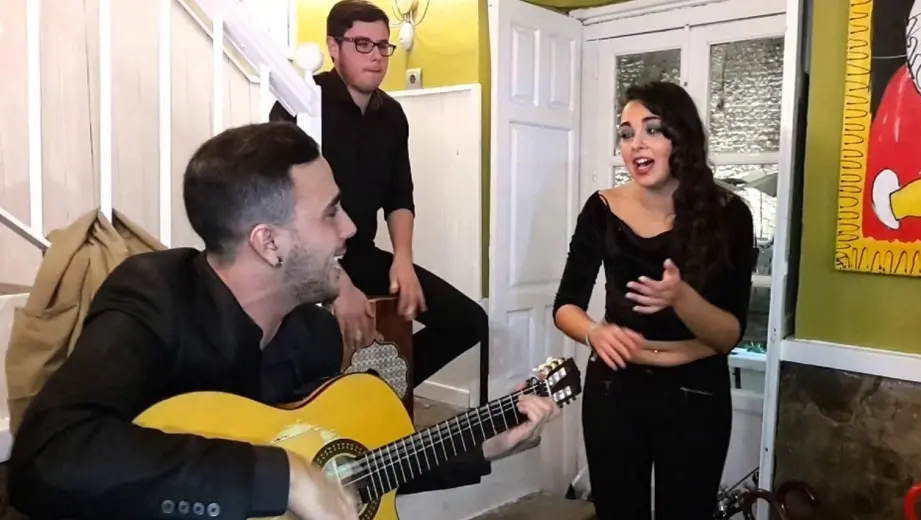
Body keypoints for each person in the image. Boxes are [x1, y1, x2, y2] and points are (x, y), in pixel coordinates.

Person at [7, 122, 559, 520]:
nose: (349, 228)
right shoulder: (155, 295)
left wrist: (482, 444)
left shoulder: (313, 337)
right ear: (268, 243)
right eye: (330, 212)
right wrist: (282, 475)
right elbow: (49, 458)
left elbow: (350, 469)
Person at [552, 81, 756, 519]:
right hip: (614, 390)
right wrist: (594, 333)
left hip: (695, 393)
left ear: (681, 138)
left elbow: (728, 335)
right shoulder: (601, 208)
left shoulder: (729, 215)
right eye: (626, 134)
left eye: (653, 130)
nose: (636, 144)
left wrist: (680, 297)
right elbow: (565, 305)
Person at [270, 0, 488, 396]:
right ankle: (331, 406)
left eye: (383, 45)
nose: (376, 56)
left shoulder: (392, 115)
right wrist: (336, 282)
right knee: (314, 351)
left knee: (468, 321)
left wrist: (403, 260)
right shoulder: (300, 104)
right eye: (362, 44)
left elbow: (399, 194)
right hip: (304, 258)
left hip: (362, 253)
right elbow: (285, 209)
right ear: (333, 47)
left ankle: (381, 396)